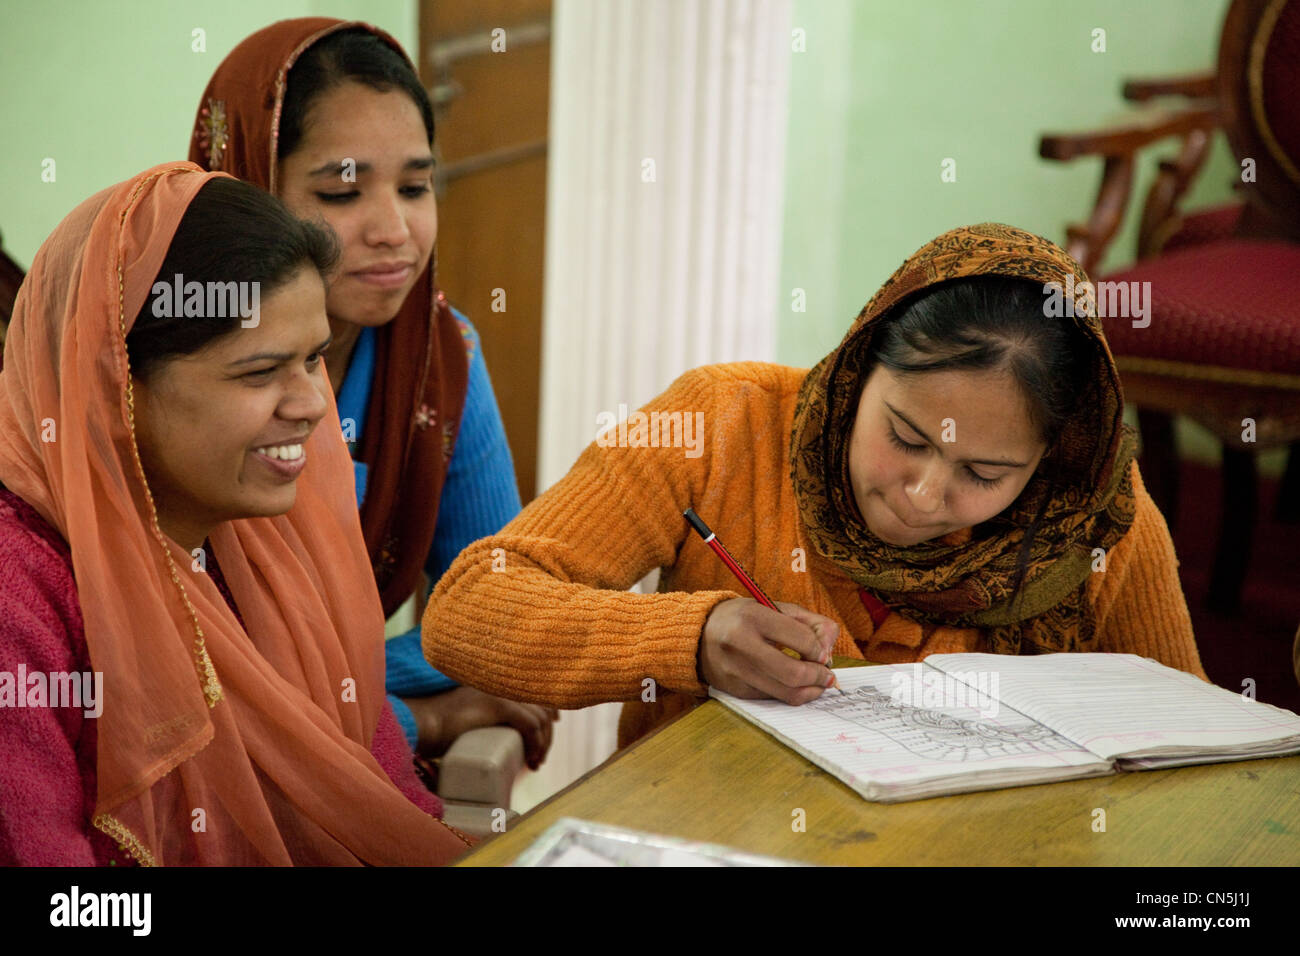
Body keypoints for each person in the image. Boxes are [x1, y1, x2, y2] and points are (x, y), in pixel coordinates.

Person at [423, 223, 1209, 747]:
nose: (926, 496)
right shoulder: (721, 424)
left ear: (1052, 460)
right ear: (855, 368)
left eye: (985, 474)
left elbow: (1186, 748)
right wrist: (690, 639)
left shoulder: (1093, 525)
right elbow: (467, 610)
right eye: (906, 438)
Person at [0, 163, 472, 865]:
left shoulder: (273, 544)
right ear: (115, 388)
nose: (312, 404)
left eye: (314, 359)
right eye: (259, 372)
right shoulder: (23, 595)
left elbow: (388, 802)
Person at [189, 18, 556, 769]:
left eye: (417, 186)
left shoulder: (439, 360)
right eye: (343, 191)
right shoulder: (172, 362)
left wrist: (347, 683)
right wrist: (427, 718)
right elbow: (176, 680)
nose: (394, 230)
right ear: (249, 187)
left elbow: (510, 610)